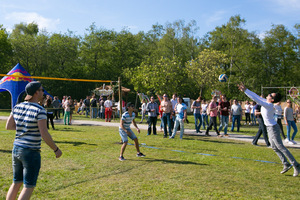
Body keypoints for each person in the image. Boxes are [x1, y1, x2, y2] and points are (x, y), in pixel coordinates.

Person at [5, 81, 62, 200]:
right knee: (28, 186)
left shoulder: (17, 106)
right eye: (41, 90)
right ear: (36, 92)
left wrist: (24, 127)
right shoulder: (40, 110)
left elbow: (9, 126)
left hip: (17, 149)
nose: (43, 92)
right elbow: (44, 134)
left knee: (16, 182)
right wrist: (56, 149)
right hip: (31, 152)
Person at [238, 83, 299, 177]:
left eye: (270, 95)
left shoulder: (268, 105)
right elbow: (256, 96)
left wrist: (245, 91)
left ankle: (296, 165)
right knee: (274, 147)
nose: (268, 94)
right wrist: (246, 89)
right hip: (269, 127)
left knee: (281, 147)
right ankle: (286, 164)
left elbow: (255, 99)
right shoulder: (266, 102)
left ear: (272, 99)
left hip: (273, 128)